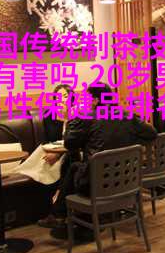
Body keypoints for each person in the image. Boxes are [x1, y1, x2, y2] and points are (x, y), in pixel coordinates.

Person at [38, 83, 157, 228]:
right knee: (77, 166)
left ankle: (59, 215)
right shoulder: (127, 115)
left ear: (95, 100)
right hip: (126, 180)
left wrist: (71, 119)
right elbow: (152, 134)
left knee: (74, 167)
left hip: (97, 183)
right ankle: (71, 215)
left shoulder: (87, 117)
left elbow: (69, 143)